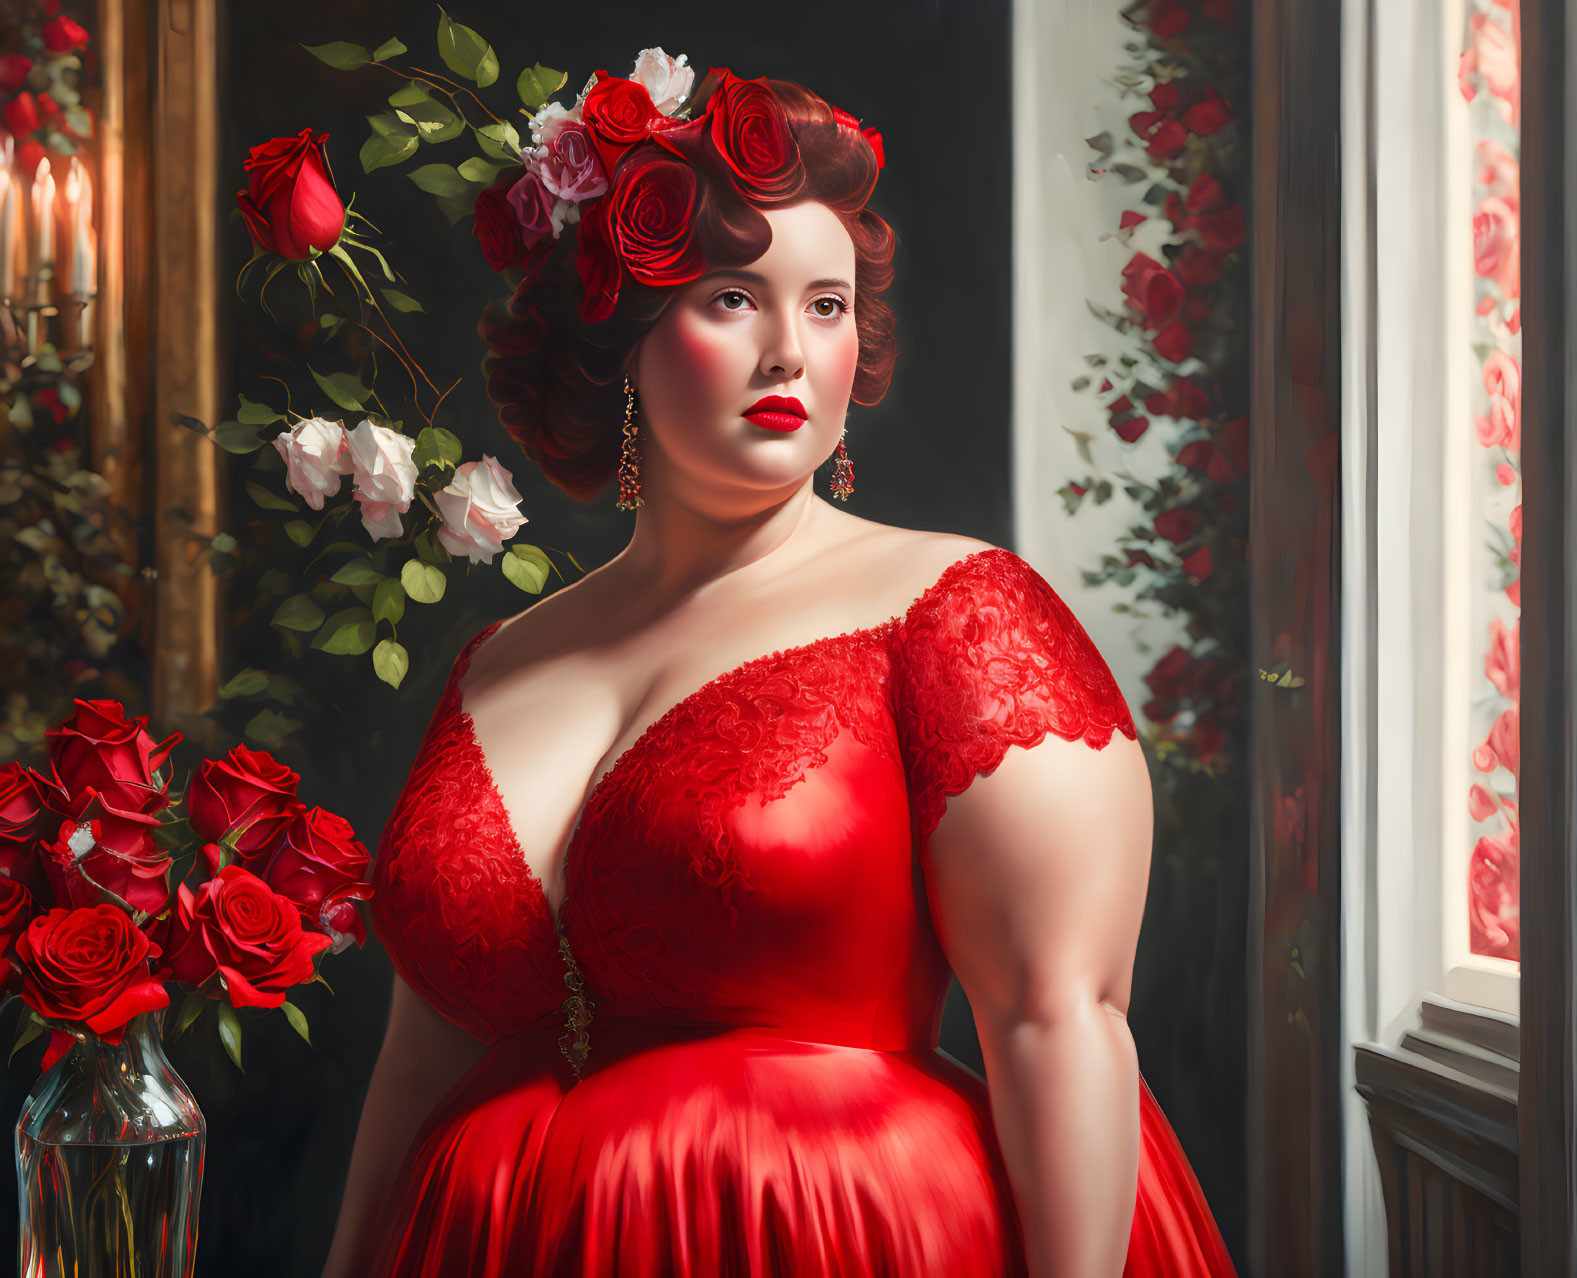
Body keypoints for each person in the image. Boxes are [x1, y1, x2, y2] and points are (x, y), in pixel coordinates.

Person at [321, 50, 1237, 1278]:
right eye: (732, 298)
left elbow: (1056, 1022)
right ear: (625, 340)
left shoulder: (956, 612)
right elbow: (420, 1055)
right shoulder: (495, 659)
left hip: (824, 1233)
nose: (791, 355)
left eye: (826, 304)